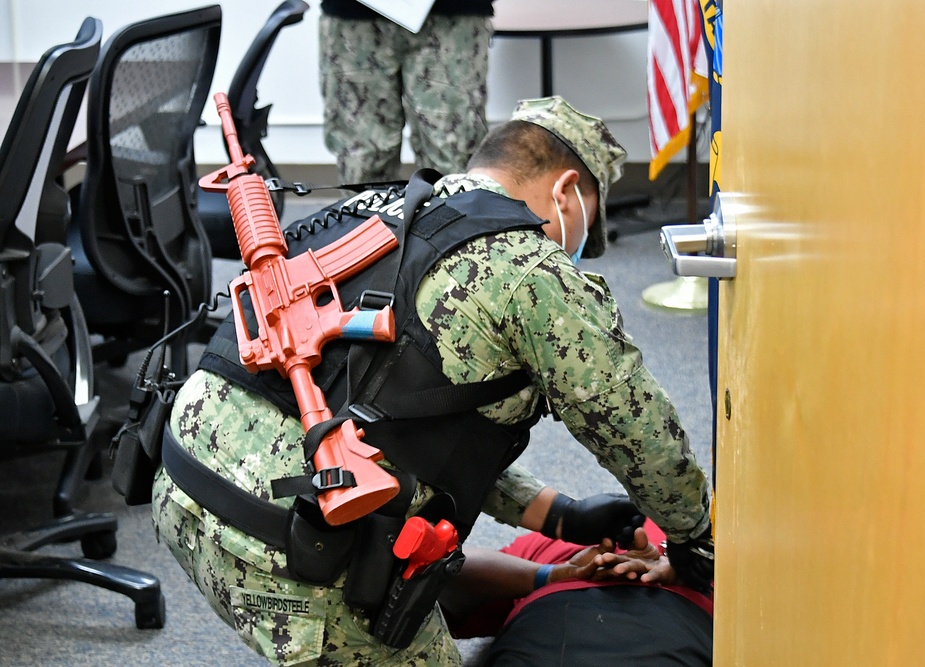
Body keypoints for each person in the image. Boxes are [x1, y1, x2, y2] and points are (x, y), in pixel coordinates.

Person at [151, 95, 713, 665]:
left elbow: (397, 422)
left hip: (182, 487)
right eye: (585, 231)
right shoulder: (530, 268)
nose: (577, 252)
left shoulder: (373, 206)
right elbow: (641, 435)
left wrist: (556, 513)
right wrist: (696, 540)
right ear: (566, 191)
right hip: (297, 550)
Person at [441, 519, 713, 666]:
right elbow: (441, 581)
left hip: (679, 625)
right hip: (679, 628)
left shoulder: (720, 544)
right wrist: (551, 574)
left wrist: (689, 570)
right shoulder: (565, 546)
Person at [318, 0, 494, 184]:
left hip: (453, 16)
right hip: (353, 18)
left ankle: (451, 213)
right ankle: (366, 213)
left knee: (453, 156)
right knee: (361, 159)